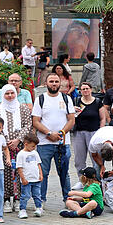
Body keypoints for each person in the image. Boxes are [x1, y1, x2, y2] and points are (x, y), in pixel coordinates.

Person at [32, 73, 75, 207]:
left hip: (63, 143)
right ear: (46, 83)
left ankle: (67, 199)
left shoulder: (66, 98)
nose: (54, 84)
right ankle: (41, 201)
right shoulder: (40, 99)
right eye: (51, 81)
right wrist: (49, 133)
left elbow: (71, 119)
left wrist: (61, 133)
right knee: (43, 173)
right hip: (44, 143)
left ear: (60, 83)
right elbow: (35, 121)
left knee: (64, 173)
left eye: (56, 81)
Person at [0, 84, 31, 213]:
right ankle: (6, 199)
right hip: (3, 147)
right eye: (7, 94)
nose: (10, 96)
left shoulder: (23, 108)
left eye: (12, 93)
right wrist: (5, 142)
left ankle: (18, 199)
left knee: (20, 171)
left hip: (20, 146)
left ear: (16, 94)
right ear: (3, 95)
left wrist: (18, 140)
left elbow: (27, 125)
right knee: (5, 172)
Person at [72, 82, 108, 176]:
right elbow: (70, 116)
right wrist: (72, 110)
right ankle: (82, 178)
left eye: (87, 88)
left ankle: (97, 177)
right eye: (83, 89)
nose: (85, 91)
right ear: (80, 91)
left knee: (96, 157)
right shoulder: (76, 101)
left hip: (94, 133)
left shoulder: (97, 102)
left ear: (91, 89)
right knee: (79, 159)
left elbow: (102, 118)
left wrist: (101, 131)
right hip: (79, 133)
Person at [15, 134, 43, 219]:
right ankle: (22, 210)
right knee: (25, 196)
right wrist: (23, 178)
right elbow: (19, 168)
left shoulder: (35, 153)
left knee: (37, 195)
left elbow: (38, 164)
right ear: (26, 144)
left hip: (36, 179)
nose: (34, 148)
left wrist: (41, 174)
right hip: (27, 180)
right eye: (32, 146)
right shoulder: (21, 154)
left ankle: (39, 208)